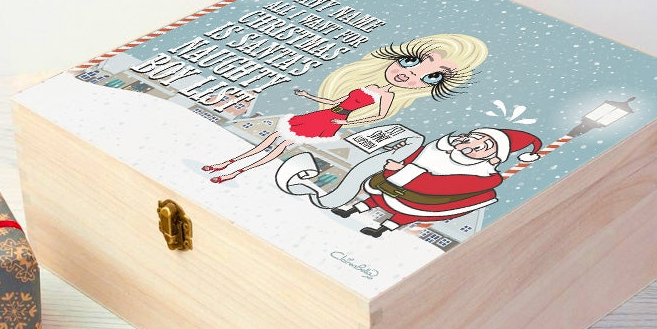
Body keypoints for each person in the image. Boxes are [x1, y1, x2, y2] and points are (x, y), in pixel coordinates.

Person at [201, 33, 488, 182]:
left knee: (280, 145)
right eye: (412, 60)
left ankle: (235, 171)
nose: (410, 73)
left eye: (432, 76)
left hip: (332, 122)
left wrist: (346, 123)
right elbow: (335, 102)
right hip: (322, 114)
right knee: (274, 137)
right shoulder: (367, 83)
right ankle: (228, 163)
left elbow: (379, 115)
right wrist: (308, 95)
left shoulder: (386, 95)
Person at [332, 128, 542, 237]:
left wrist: (400, 170)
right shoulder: (437, 150)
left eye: (483, 147)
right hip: (396, 181)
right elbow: (414, 157)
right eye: (474, 138)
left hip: (426, 200)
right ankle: (351, 210)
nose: (471, 145)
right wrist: (400, 162)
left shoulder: (482, 175)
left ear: (494, 159)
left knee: (404, 212)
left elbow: (437, 186)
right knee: (378, 195)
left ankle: (381, 229)